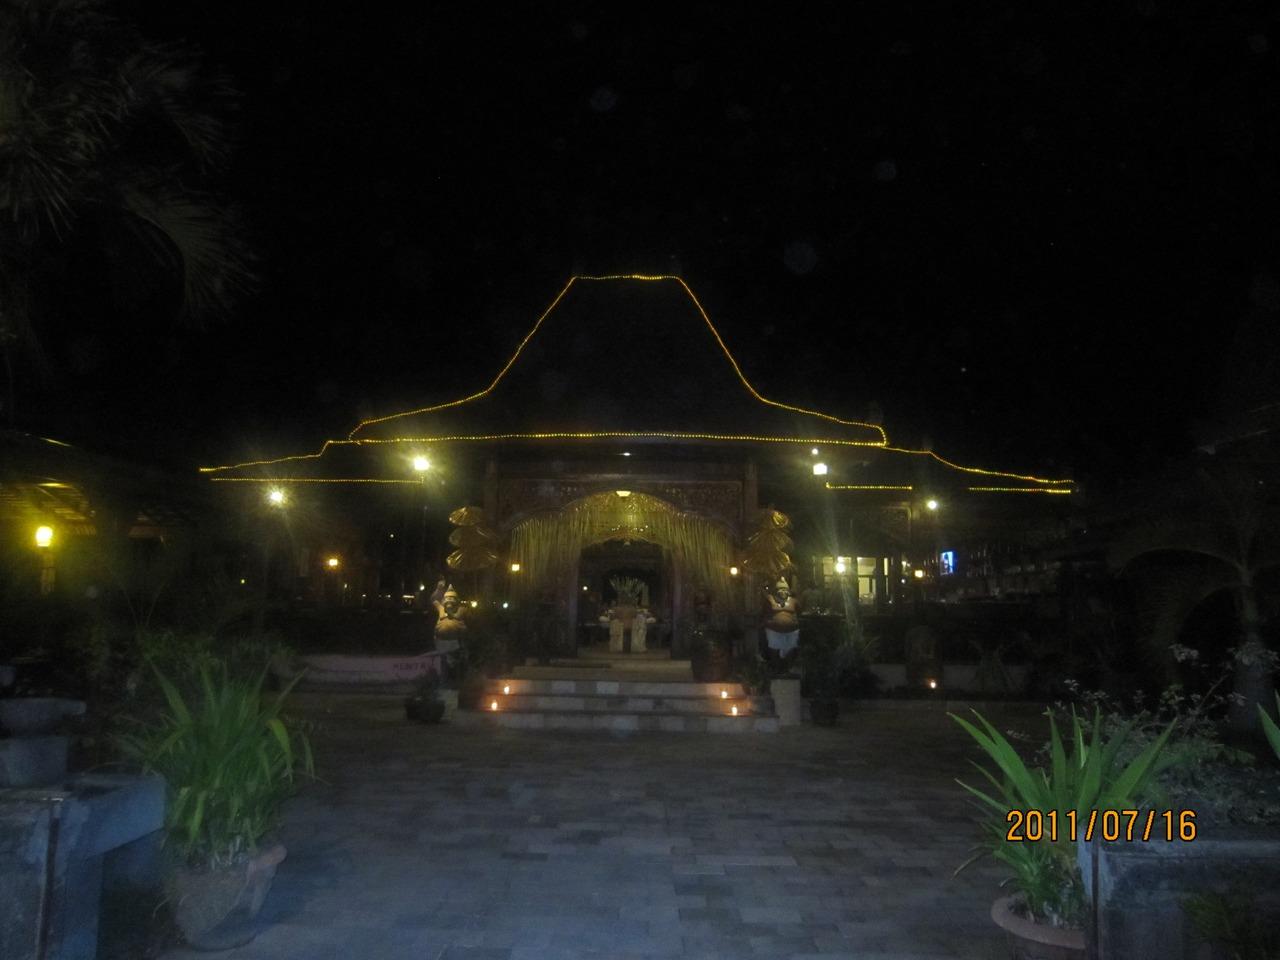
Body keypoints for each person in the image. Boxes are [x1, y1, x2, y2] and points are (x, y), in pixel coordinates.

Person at [764, 577, 800, 665]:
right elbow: (764, 612)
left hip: (791, 631)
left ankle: (789, 667)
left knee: (790, 650)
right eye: (781, 590)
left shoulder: (793, 601)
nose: (783, 592)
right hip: (774, 631)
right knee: (774, 650)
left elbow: (800, 611)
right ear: (776, 591)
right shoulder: (770, 599)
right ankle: (775, 667)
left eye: (785, 590)